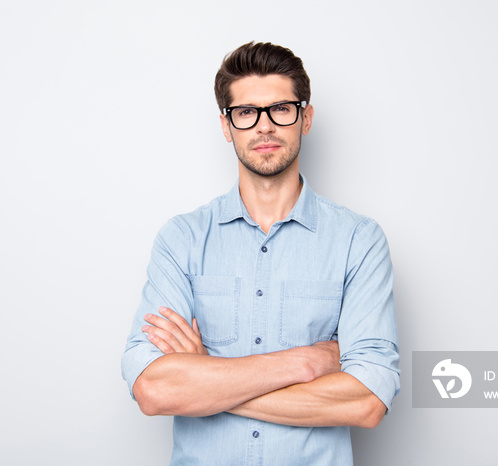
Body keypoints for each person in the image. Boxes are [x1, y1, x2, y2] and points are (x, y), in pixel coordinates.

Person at [121, 41, 400, 465]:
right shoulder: (182, 239)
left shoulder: (358, 241)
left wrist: (208, 379)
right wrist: (306, 363)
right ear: (226, 125)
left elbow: (367, 401)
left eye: (280, 109)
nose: (264, 126)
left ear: (305, 118)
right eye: (246, 112)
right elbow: (154, 389)